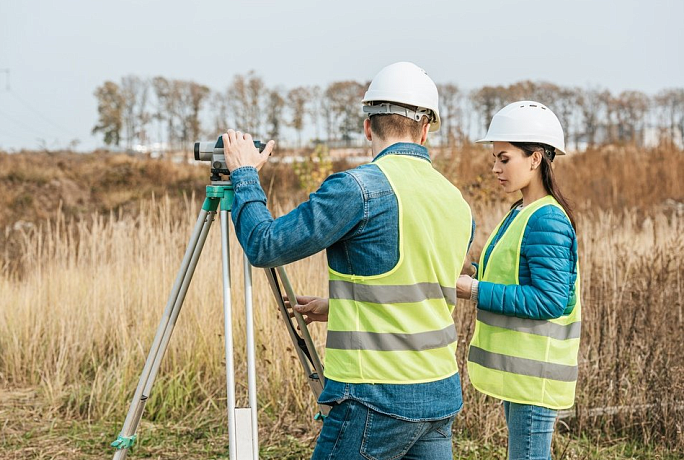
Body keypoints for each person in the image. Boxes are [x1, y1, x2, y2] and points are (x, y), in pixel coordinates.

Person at [222, 62, 473, 459]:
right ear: (426, 129)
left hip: (375, 396)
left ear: (368, 126)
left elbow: (265, 245)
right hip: (439, 393)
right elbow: (421, 289)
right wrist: (340, 307)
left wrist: (245, 177)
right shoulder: (456, 202)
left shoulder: (358, 189)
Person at [456, 101, 581, 460]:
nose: (495, 168)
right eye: (494, 158)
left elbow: (549, 300)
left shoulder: (547, 220)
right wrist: (472, 271)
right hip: (521, 375)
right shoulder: (520, 211)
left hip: (534, 377)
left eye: (504, 158)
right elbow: (511, 273)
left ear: (536, 158)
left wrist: (473, 290)